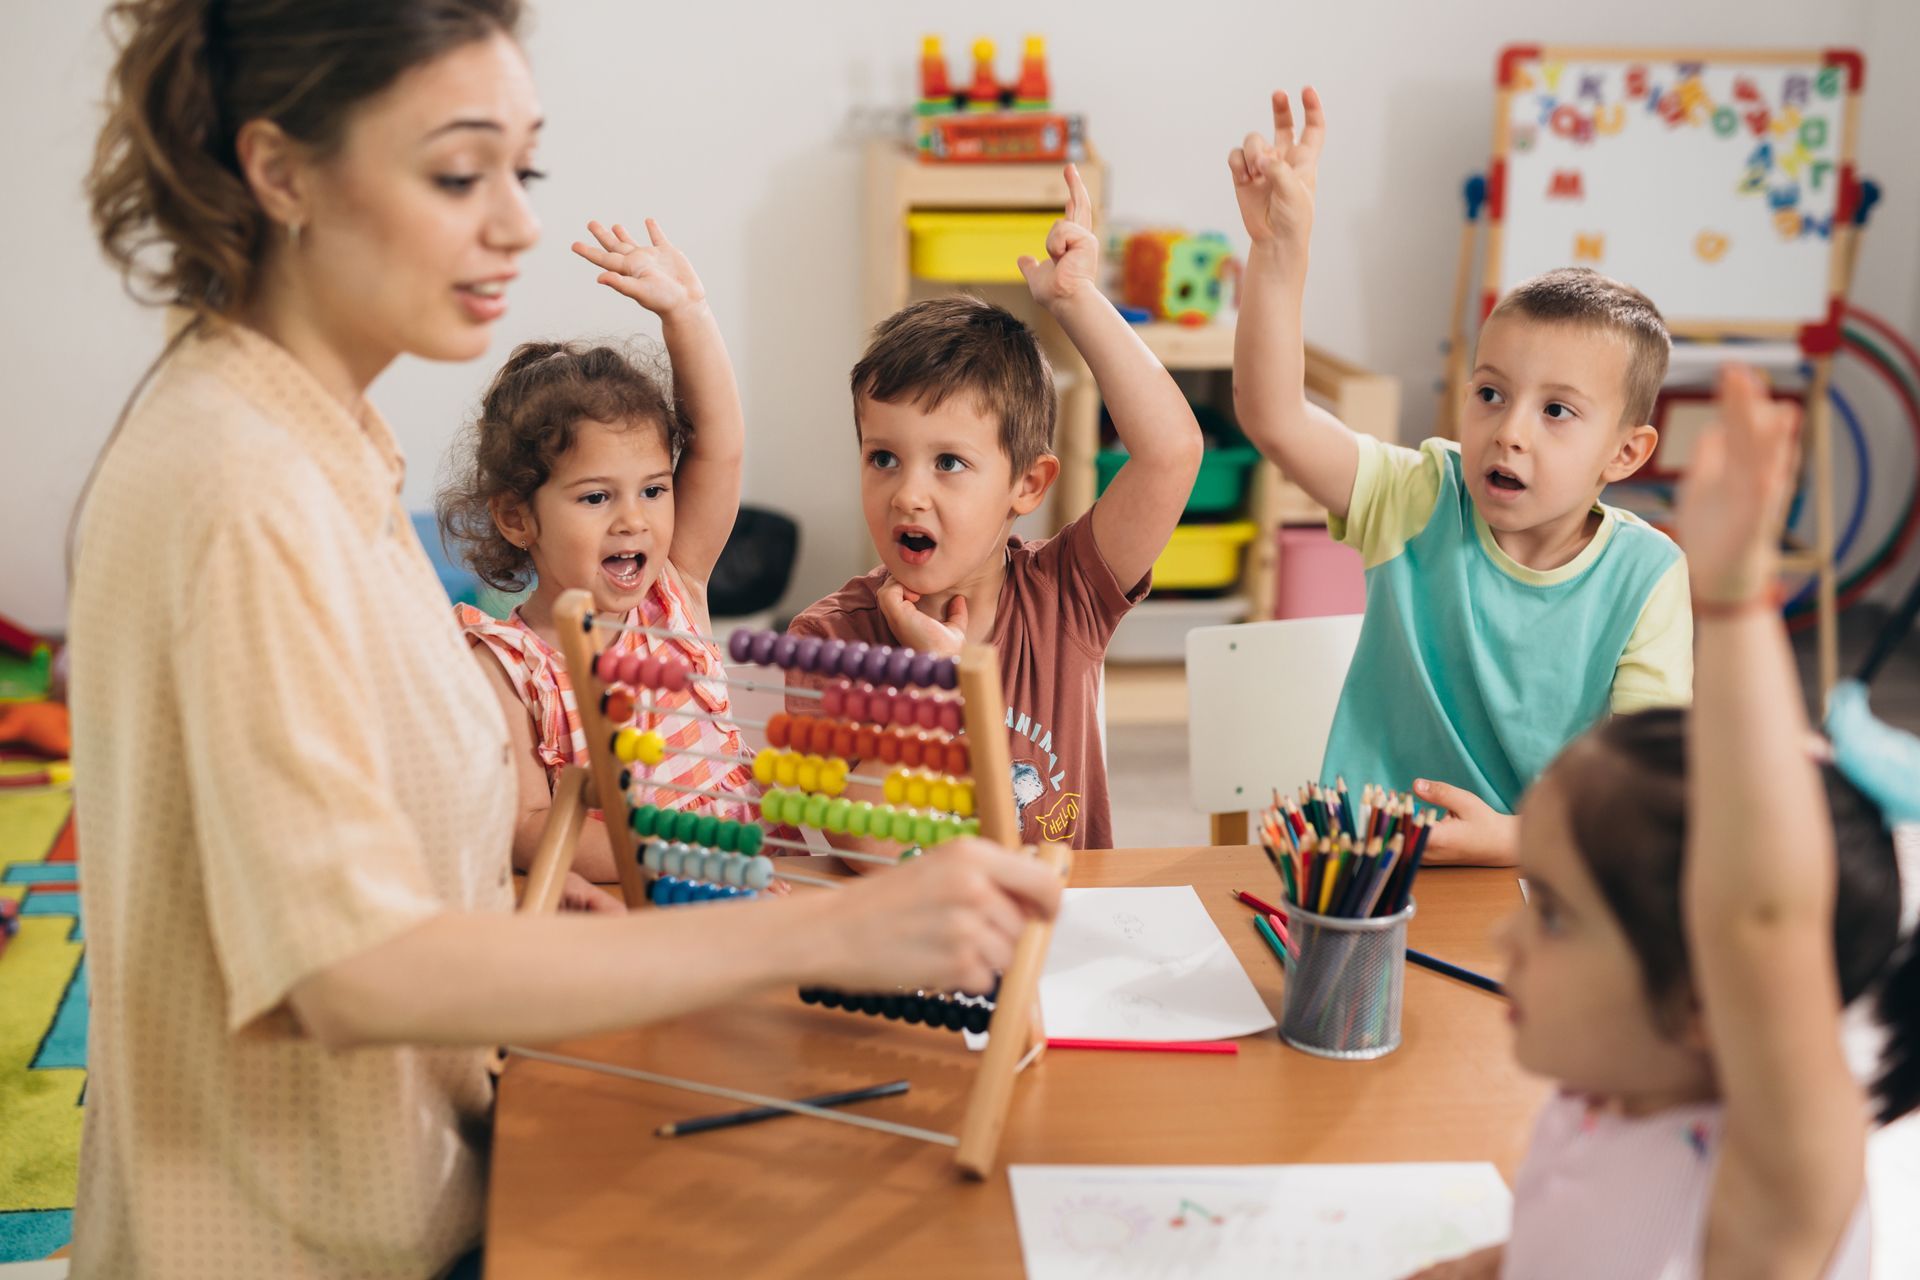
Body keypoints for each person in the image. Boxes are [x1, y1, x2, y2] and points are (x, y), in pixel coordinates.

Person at [68, 4, 1059, 1275]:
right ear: (281, 172)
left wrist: (529, 885)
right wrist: (826, 933)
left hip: (435, 1169)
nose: (519, 222)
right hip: (303, 1238)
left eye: (521, 169)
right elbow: (347, 967)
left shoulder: (325, 458)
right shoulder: (237, 489)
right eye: (457, 171)